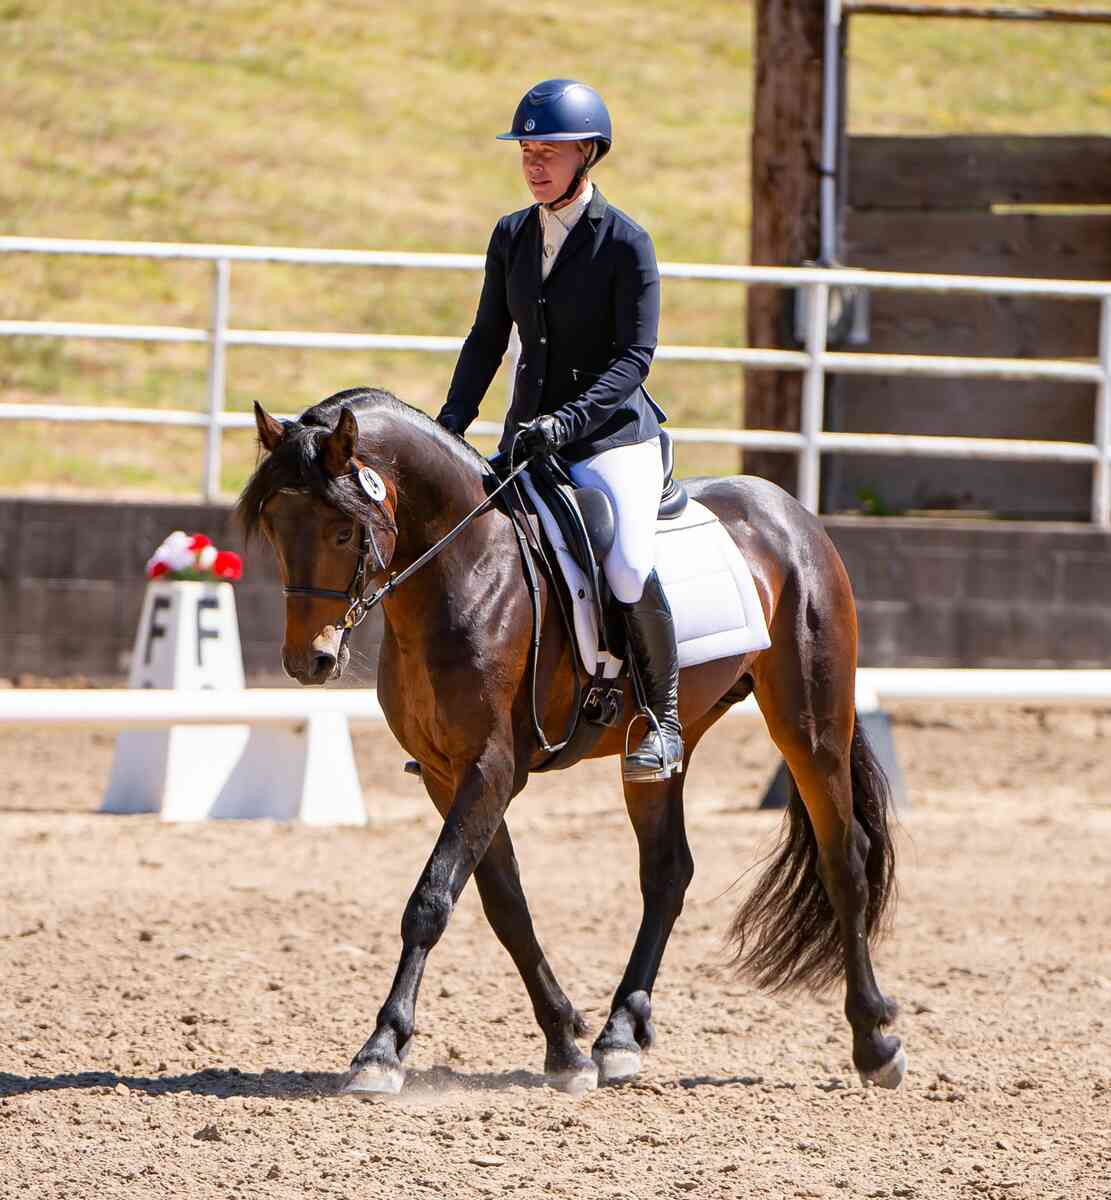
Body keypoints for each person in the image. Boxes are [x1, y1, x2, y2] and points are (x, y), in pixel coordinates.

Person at [435, 78, 682, 783]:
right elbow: (486, 337)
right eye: (526, 151)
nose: (533, 164)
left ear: (587, 153)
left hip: (612, 439)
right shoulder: (511, 234)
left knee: (627, 564)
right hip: (528, 438)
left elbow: (634, 357)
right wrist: (452, 422)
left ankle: (661, 720)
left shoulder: (626, 243)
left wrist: (567, 421)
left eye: (548, 152)